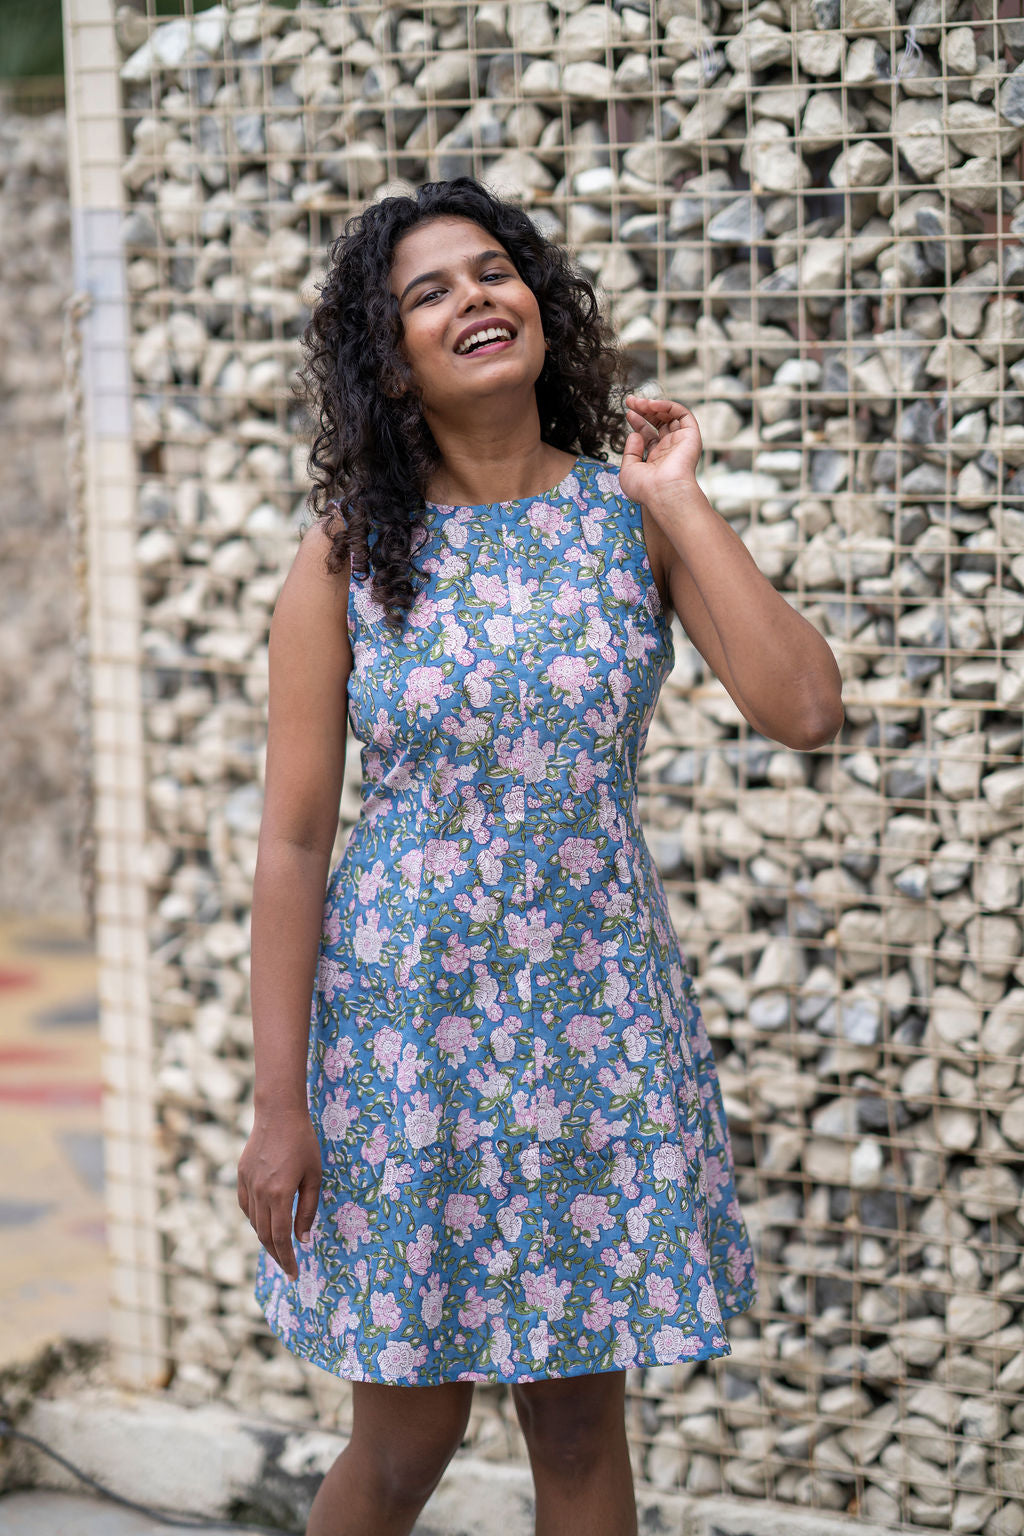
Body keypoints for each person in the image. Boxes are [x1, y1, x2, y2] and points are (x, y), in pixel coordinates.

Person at [237, 175, 844, 1536]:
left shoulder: (625, 517)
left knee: (576, 1417)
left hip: (593, 1020)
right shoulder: (344, 560)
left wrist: (679, 499)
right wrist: (282, 1104)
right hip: (407, 1033)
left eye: (495, 271)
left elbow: (804, 708)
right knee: (408, 1434)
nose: (476, 298)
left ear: (541, 304)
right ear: (388, 362)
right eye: (430, 291)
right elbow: (289, 843)